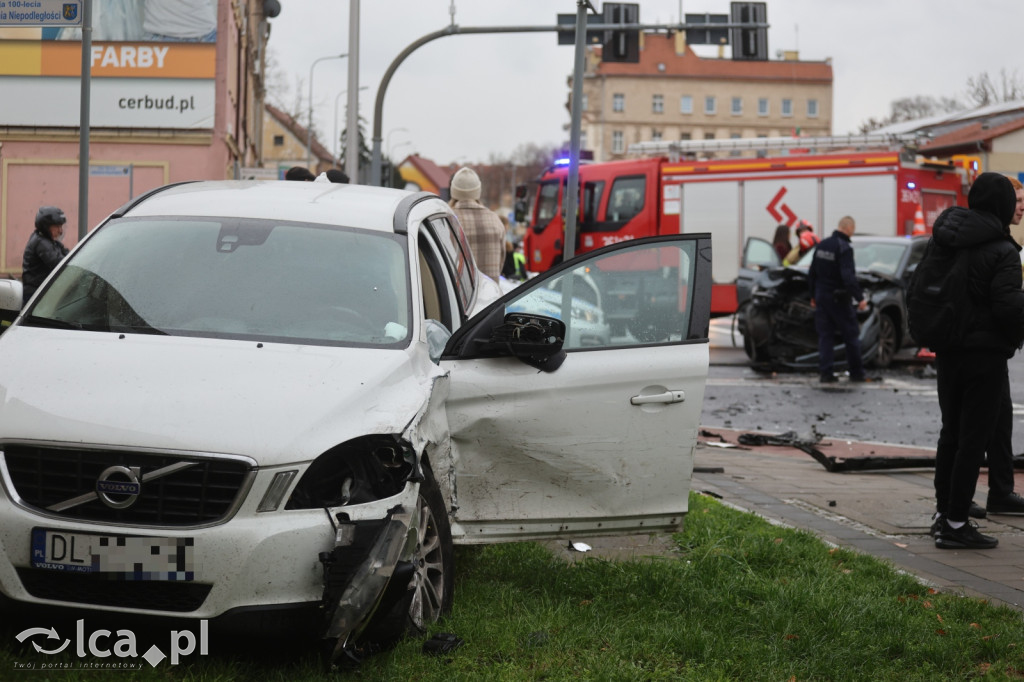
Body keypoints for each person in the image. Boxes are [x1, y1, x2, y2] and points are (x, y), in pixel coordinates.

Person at [927, 172, 1024, 549]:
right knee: (974, 439)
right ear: (1000, 205)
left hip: (948, 349)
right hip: (984, 355)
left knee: (950, 433)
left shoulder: (946, 240)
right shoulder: (1001, 250)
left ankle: (942, 512)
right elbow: (1008, 307)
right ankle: (955, 524)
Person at [974, 175, 1024, 519]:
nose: (1021, 208)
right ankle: (954, 510)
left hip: (976, 344)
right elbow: (1006, 303)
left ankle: (998, 491)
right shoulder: (997, 245)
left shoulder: (982, 238)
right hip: (984, 346)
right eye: (1018, 200)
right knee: (972, 426)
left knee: (998, 419)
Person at [808, 216, 873, 383]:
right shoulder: (844, 247)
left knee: (825, 337)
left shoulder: (822, 245)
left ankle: (826, 373)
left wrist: (812, 295)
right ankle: (857, 373)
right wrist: (859, 298)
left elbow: (812, 272)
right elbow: (848, 277)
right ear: (849, 228)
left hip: (822, 297)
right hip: (839, 298)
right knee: (851, 335)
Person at [448, 167, 505, 282]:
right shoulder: (495, 220)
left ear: (453, 191)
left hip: (459, 299)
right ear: (478, 191)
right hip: (492, 297)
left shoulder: (447, 220)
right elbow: (501, 263)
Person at [22, 206, 70, 306]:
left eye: (61, 226)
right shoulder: (41, 243)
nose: (60, 231)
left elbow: (68, 254)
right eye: (57, 226)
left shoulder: (48, 241)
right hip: (35, 295)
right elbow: (59, 263)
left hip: (43, 292)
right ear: (46, 226)